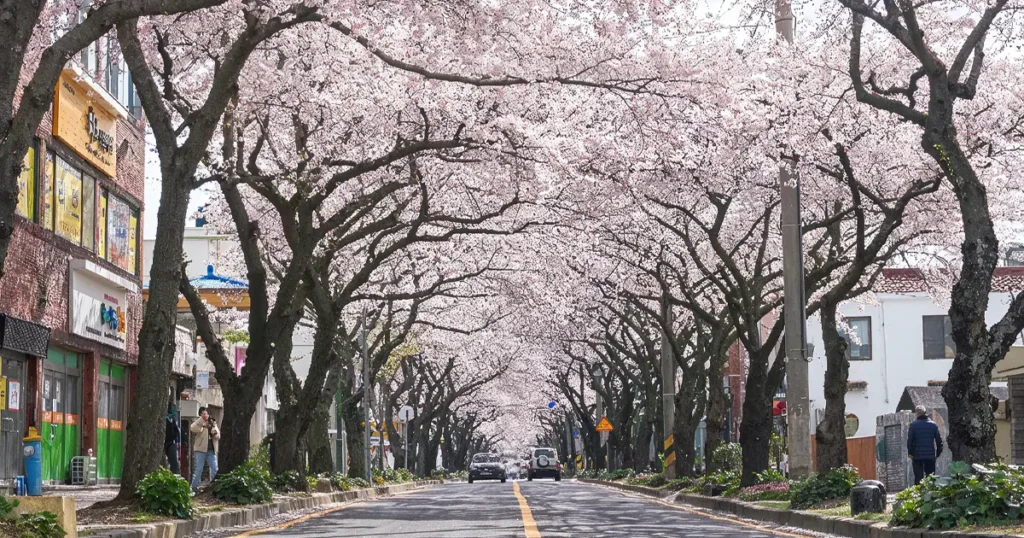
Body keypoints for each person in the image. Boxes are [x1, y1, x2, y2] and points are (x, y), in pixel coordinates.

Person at [907, 405, 944, 485]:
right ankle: (930, 495)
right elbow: (939, 441)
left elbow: (910, 441)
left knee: (918, 478)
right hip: (930, 456)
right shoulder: (933, 425)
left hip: (917, 456)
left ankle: (918, 495)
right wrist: (938, 453)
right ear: (925, 413)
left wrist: (910, 453)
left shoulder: (913, 425)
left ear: (916, 414)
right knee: (930, 477)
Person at [190, 406, 220, 493]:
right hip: (200, 449)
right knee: (199, 468)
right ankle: (194, 487)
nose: (205, 415)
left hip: (211, 449)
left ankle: (216, 485)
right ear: (200, 415)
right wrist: (201, 422)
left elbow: (218, 436)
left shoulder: (212, 423)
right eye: (203, 414)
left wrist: (214, 433)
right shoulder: (198, 423)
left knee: (215, 468)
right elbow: (192, 428)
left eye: (206, 413)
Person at [165, 402, 181, 474]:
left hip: (170, 442)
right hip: (170, 442)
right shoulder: (170, 418)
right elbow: (176, 431)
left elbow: (176, 431)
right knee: (173, 464)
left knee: (174, 463)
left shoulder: (170, 418)